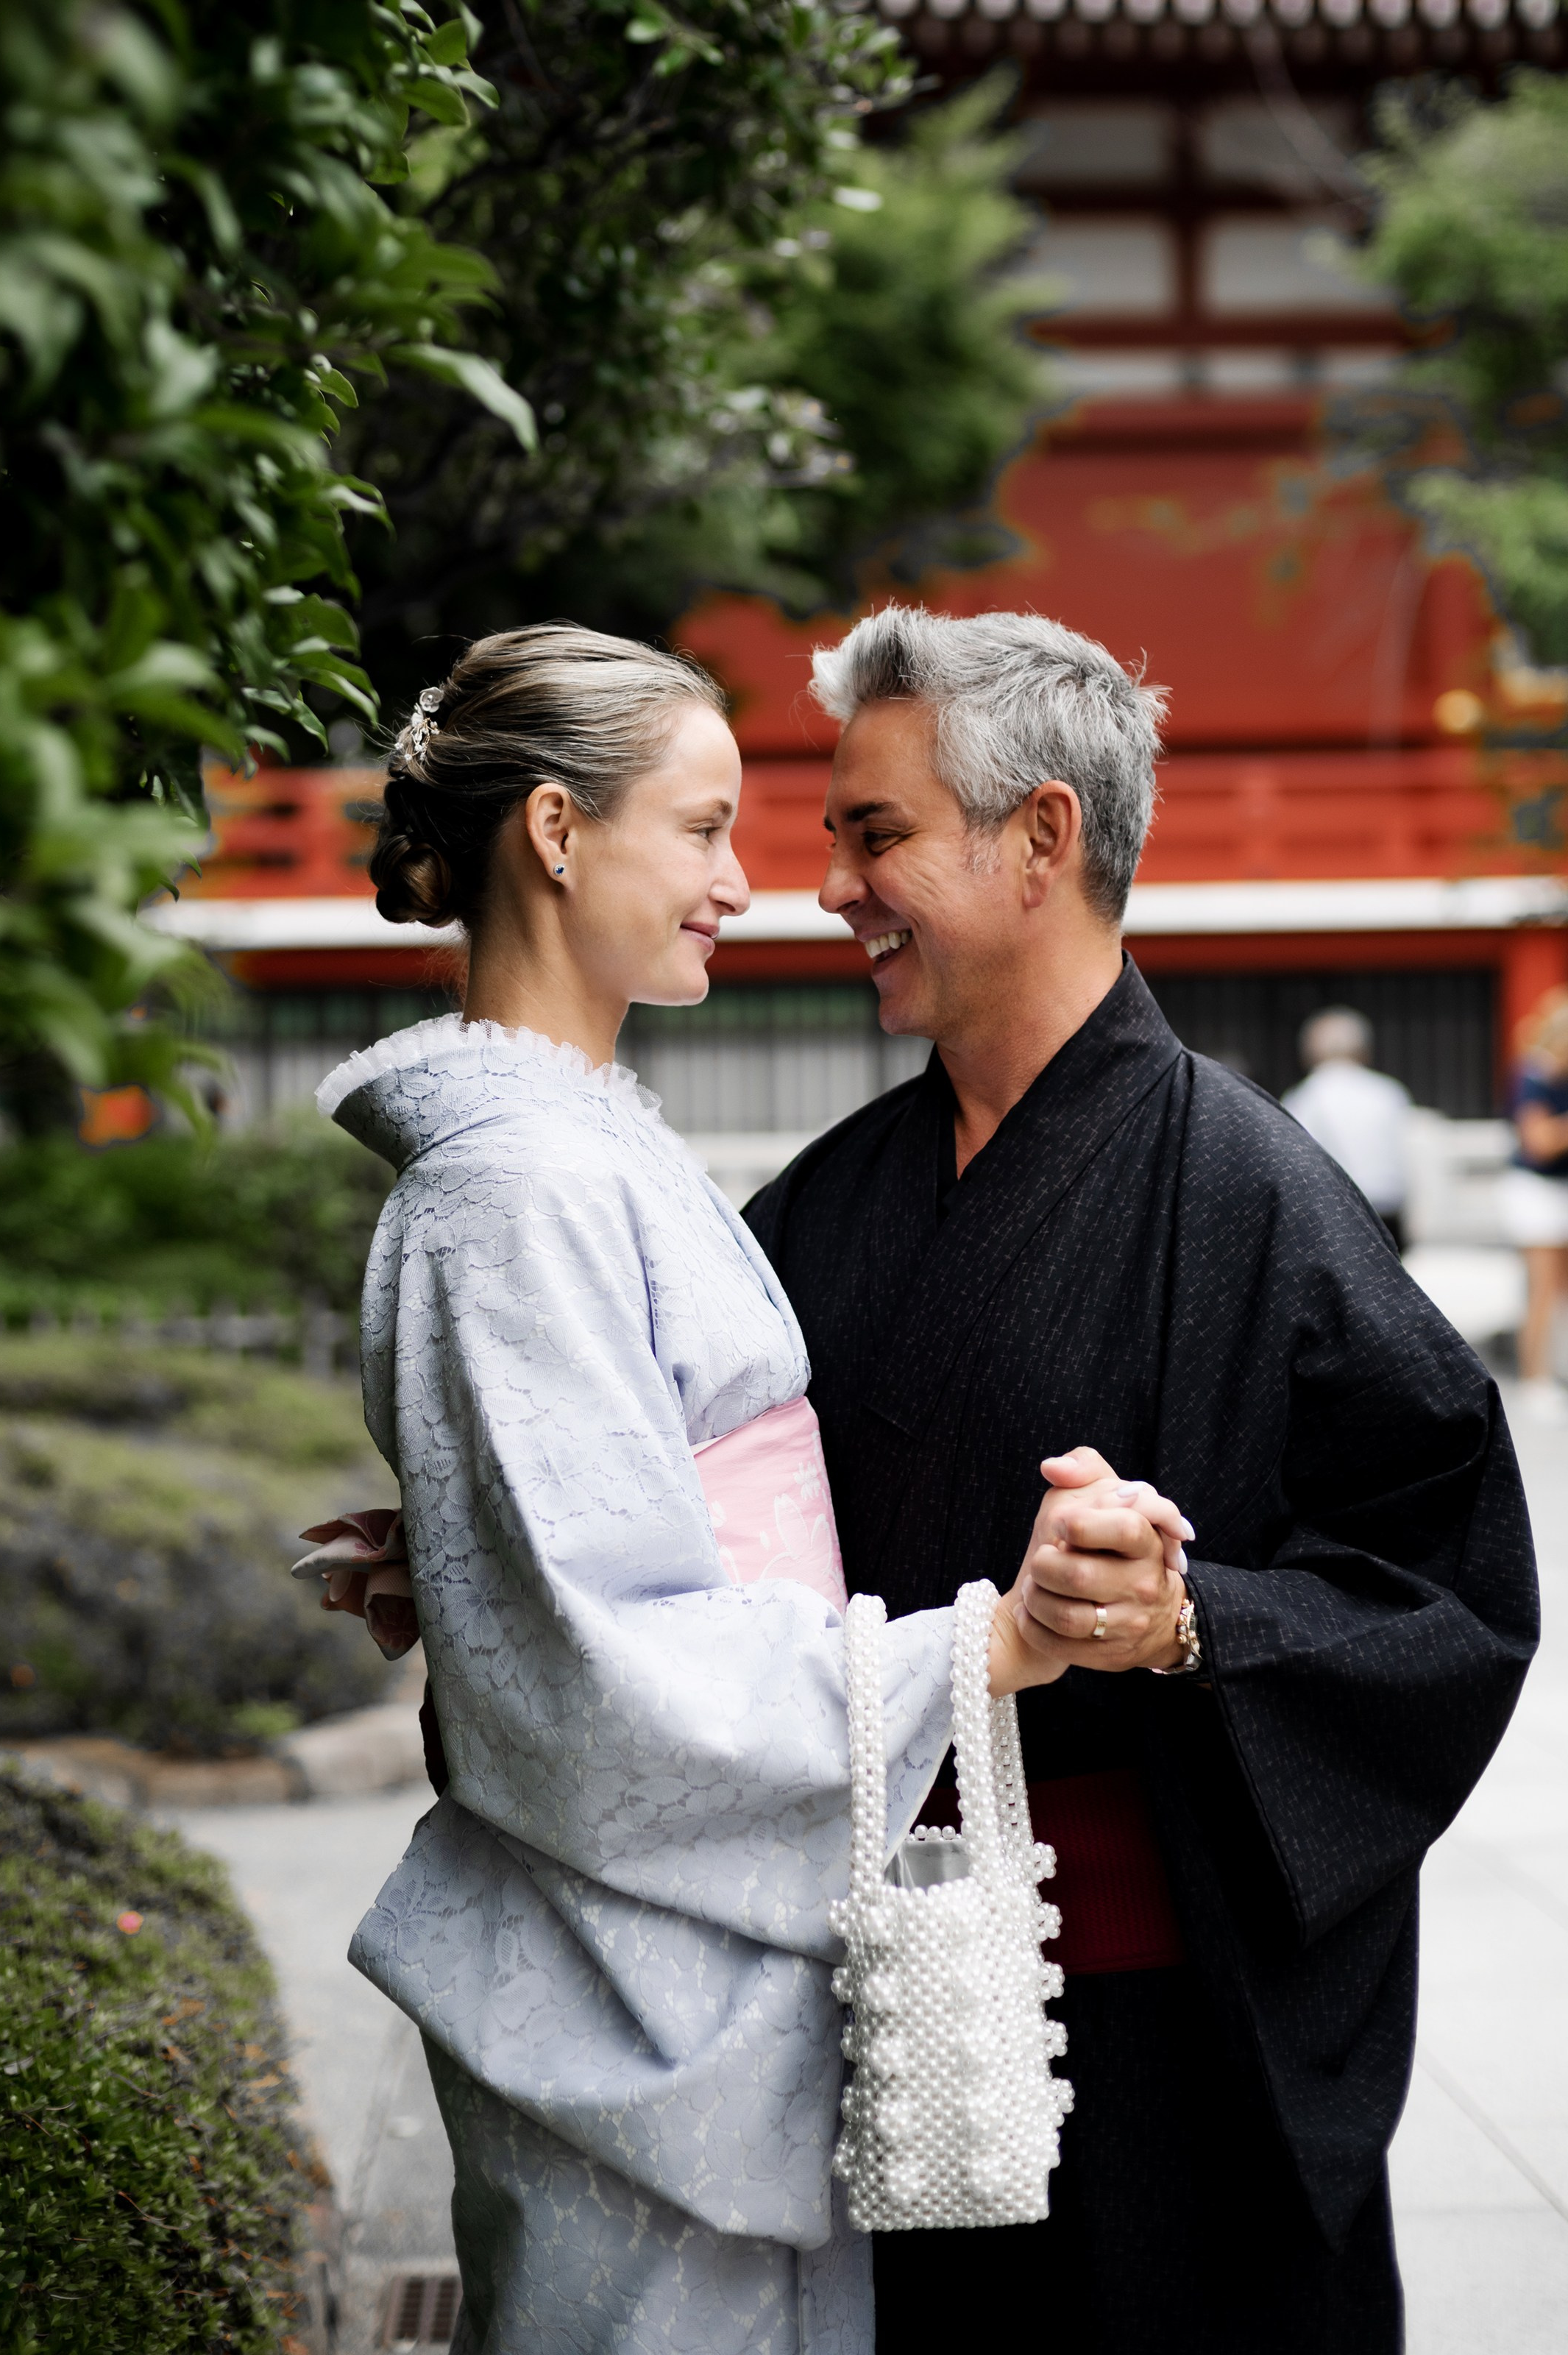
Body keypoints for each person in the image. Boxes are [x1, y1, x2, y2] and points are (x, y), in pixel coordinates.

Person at [313, 623, 1187, 2355]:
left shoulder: (581, 1148)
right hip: (634, 1973)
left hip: (690, 1956)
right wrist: (983, 1651)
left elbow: (590, 1547)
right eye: (701, 828)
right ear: (555, 834)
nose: (749, 882)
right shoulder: (523, 1188)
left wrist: (478, 1557)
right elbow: (601, 1668)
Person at [743, 607, 1540, 2355]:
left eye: (871, 835)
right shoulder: (821, 1205)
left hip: (1159, 2035)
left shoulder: (1251, 1195)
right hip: (873, 2008)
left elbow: (1448, 1591)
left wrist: (1189, 1619)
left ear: (1038, 837)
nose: (825, 887)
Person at [1283, 1006, 1413, 1251]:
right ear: (1364, 1051)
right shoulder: (1389, 1092)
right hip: (1390, 1210)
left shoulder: (1305, 1097)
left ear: (1309, 1053)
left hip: (1339, 1215)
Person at [1499, 987, 1568, 1419]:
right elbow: (1538, 1142)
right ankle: (1535, 1379)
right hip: (1536, 1191)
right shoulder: (1533, 1075)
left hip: (1560, 1188)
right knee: (1542, 1289)